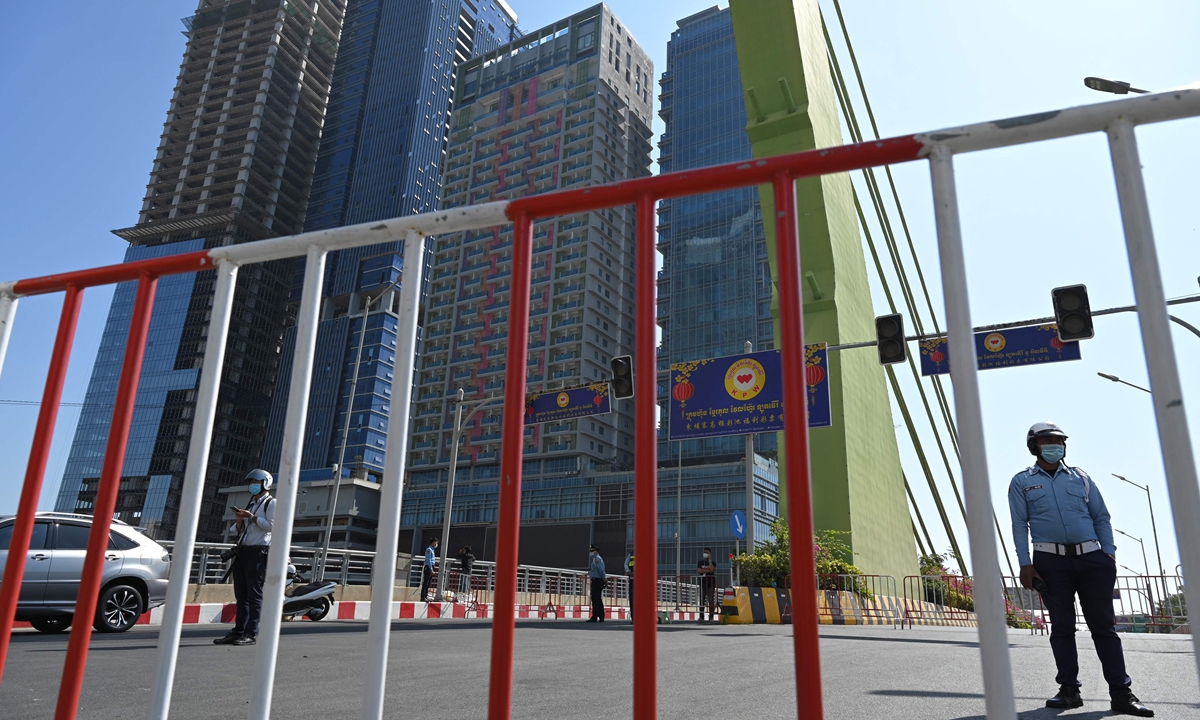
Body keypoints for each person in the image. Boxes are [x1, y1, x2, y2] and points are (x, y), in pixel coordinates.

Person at [1009, 422, 1154, 717]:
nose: (1054, 445)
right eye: (1047, 440)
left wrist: (1108, 555)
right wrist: (1026, 563)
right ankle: (1069, 691)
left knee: (1104, 628)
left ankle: (1122, 694)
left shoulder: (1081, 478)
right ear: (1034, 446)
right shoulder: (1022, 481)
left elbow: (1101, 516)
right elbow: (1018, 524)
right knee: (1062, 627)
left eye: (1059, 440)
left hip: (1092, 560)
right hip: (1050, 563)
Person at [214, 469, 275, 646]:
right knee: (241, 595)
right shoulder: (252, 503)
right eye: (251, 482)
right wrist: (240, 519)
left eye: (256, 482)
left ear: (265, 483)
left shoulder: (270, 504)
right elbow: (240, 531)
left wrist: (252, 517)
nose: (252, 485)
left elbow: (272, 526)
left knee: (254, 595)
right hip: (243, 551)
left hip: (258, 553)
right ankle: (238, 631)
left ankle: (251, 632)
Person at [697, 547, 718, 623]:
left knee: (711, 601)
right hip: (703, 584)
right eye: (704, 552)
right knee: (702, 601)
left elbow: (712, 569)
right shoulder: (700, 562)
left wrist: (709, 561)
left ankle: (711, 617)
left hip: (711, 584)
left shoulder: (713, 562)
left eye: (707, 553)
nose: (705, 554)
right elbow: (699, 570)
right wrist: (707, 570)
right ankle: (701, 617)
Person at [587, 544, 606, 622]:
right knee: (598, 599)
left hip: (597, 580)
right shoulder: (598, 559)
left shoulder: (597, 559)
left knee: (595, 599)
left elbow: (601, 570)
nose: (591, 553)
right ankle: (601, 616)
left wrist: (604, 579)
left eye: (592, 551)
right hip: (598, 580)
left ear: (596, 551)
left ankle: (595, 616)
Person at [421, 537, 438, 602]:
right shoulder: (429, 550)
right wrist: (431, 569)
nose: (436, 544)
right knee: (426, 582)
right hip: (428, 567)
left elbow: (432, 559)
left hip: (431, 566)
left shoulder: (432, 550)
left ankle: (426, 595)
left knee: (429, 583)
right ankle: (423, 596)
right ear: (433, 542)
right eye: (436, 542)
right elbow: (428, 560)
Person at [624, 551, 635, 618]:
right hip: (632, 578)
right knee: (632, 598)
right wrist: (628, 571)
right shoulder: (631, 554)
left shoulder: (645, 553)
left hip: (641, 580)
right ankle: (633, 617)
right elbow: (626, 564)